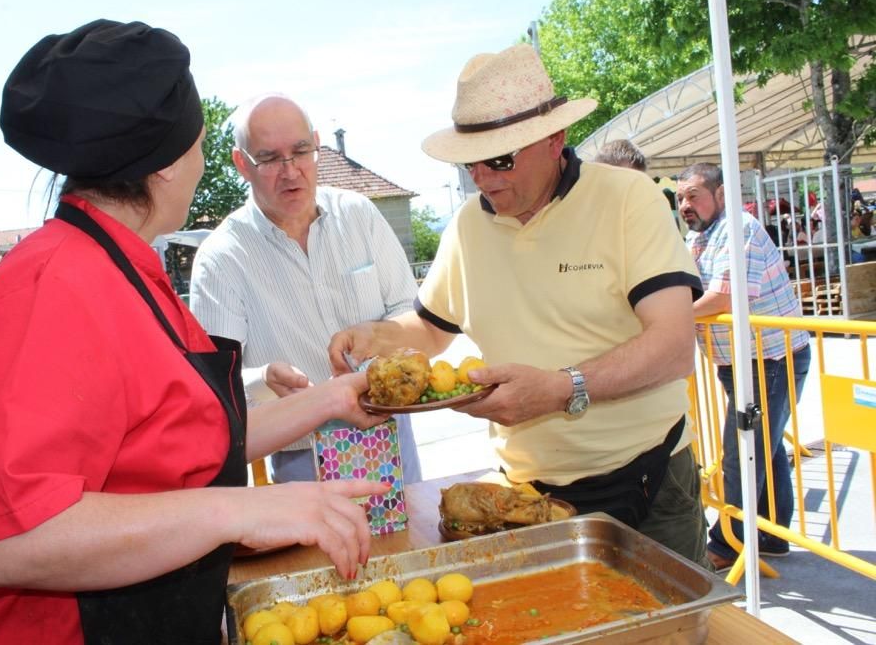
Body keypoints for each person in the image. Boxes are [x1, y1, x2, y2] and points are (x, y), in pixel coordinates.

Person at [0, 20, 387, 644]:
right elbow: (9, 541)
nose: (201, 163)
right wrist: (240, 510)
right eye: (198, 144)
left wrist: (332, 399)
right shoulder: (51, 286)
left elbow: (185, 444)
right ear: (167, 164)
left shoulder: (129, 266)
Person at [329, 44, 709, 567]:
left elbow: (673, 346)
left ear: (556, 139)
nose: (483, 178)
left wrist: (560, 389)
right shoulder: (467, 226)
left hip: (649, 484)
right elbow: (430, 326)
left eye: (500, 159)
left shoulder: (628, 198)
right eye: (471, 164)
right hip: (526, 498)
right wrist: (375, 336)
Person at [189, 93, 422, 484]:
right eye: (269, 158)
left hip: (390, 436)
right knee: (321, 550)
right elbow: (213, 388)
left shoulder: (359, 216)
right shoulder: (221, 259)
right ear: (241, 163)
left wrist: (382, 345)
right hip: (302, 459)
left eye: (300, 151)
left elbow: (408, 312)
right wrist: (263, 379)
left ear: (316, 144)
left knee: (412, 544)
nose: (290, 171)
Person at [676, 162, 811, 572]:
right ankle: (770, 534)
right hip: (741, 361)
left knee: (742, 452)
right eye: (681, 197)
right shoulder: (700, 237)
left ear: (720, 194)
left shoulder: (740, 228)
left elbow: (721, 298)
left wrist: (669, 320)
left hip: (769, 359)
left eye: (694, 195)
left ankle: (728, 544)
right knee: (763, 450)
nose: (685, 204)